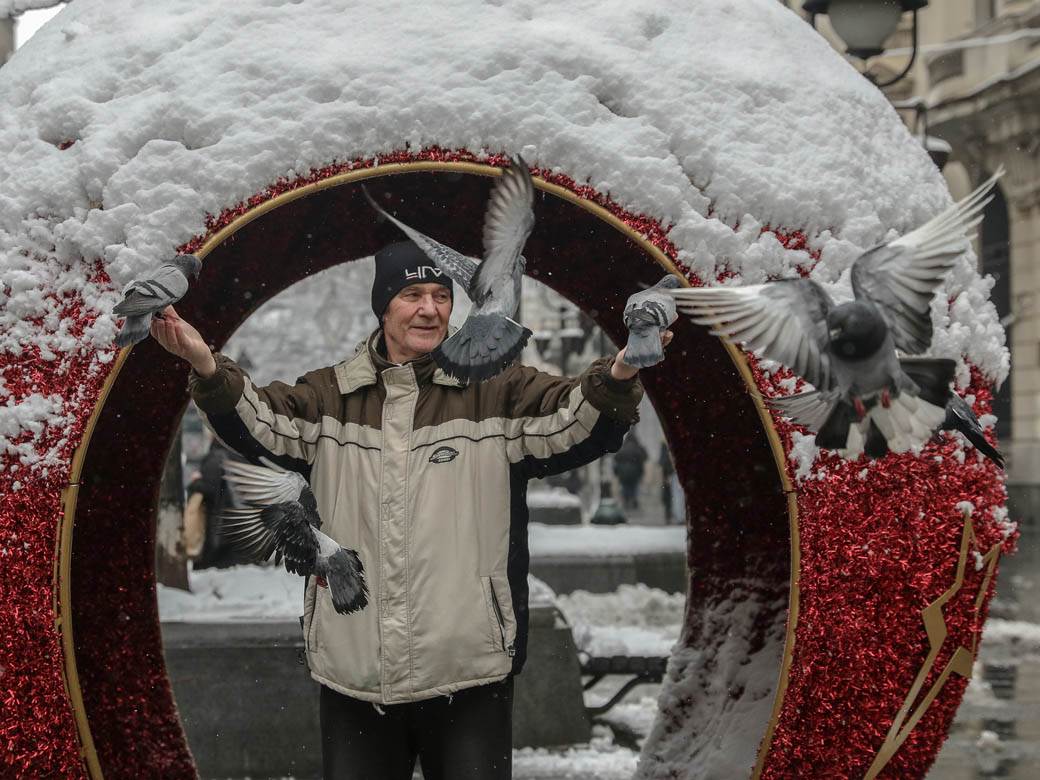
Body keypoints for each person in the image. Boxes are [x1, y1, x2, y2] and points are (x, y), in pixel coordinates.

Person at [149, 240, 672, 779]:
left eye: (442, 295)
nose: (430, 307)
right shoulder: (329, 396)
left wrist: (621, 372)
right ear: (384, 307)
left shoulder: (496, 389)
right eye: (413, 294)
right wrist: (205, 363)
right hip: (356, 672)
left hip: (468, 672)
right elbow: (257, 421)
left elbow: (575, 418)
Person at [612, 430, 648, 510]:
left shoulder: (623, 447)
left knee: (625, 486)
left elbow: (616, 458)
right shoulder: (637, 447)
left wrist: (617, 471)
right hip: (635, 472)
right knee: (634, 486)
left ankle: (626, 500)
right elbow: (644, 457)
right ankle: (634, 499)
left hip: (623, 472)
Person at [659, 440, 675, 524]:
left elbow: (661, 462)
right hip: (670, 475)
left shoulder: (664, 446)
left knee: (669, 496)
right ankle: (669, 515)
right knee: (670, 496)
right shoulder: (666, 446)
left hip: (668, 475)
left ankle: (669, 515)